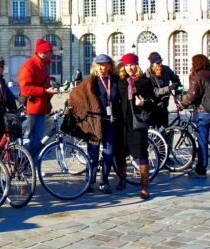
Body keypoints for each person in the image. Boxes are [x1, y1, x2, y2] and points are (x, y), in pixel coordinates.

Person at [70, 54, 121, 194]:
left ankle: (104, 181)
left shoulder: (116, 80)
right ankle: (90, 181)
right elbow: (75, 95)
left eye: (104, 64)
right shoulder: (90, 81)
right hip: (94, 123)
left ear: (109, 65)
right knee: (93, 153)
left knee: (109, 152)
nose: (101, 67)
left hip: (110, 122)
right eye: (98, 65)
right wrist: (82, 113)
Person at [181, 54, 210, 179]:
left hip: (204, 112)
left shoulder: (197, 76)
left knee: (203, 141)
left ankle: (201, 170)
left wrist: (182, 104)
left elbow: (191, 96)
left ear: (196, 64)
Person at [117, 53, 156, 199]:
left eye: (132, 64)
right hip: (122, 124)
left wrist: (144, 103)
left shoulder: (144, 82)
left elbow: (153, 101)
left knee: (142, 154)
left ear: (137, 65)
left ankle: (145, 186)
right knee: (121, 154)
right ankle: (122, 180)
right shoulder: (121, 82)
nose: (129, 68)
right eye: (127, 65)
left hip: (138, 124)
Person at [18, 39, 60, 161]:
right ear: (42, 53)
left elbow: (42, 85)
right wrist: (46, 91)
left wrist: (51, 89)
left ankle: (32, 165)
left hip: (40, 108)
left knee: (37, 139)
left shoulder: (42, 65)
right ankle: (27, 165)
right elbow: (26, 88)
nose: (52, 54)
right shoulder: (30, 66)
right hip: (32, 109)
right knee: (31, 139)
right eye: (50, 51)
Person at [144, 52, 181, 128]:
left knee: (165, 129)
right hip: (154, 106)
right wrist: (169, 88)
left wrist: (177, 88)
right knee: (154, 131)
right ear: (152, 64)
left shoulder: (166, 69)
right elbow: (155, 91)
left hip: (164, 105)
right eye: (158, 63)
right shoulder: (147, 74)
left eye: (161, 61)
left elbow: (176, 79)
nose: (160, 64)